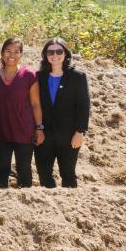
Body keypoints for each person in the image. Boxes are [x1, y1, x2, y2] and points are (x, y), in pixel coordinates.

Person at [0, 38, 42, 188]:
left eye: (16, 51)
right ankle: (1, 205)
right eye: (8, 51)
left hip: (24, 130)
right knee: (1, 170)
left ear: (21, 54)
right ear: (2, 53)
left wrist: (39, 128)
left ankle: (26, 203)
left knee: (24, 170)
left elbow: (36, 104)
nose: (12, 55)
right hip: (2, 131)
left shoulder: (29, 75)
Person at [34, 38, 90, 188]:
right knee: (44, 174)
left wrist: (80, 131)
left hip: (69, 135)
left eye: (59, 51)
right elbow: (34, 104)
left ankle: (71, 207)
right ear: (45, 55)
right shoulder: (38, 77)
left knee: (68, 174)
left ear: (66, 54)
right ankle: (51, 206)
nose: (55, 55)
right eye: (50, 51)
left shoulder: (78, 77)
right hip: (44, 135)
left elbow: (83, 106)